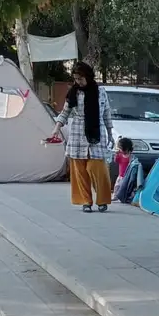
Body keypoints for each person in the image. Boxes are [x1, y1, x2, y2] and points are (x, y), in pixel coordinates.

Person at [51, 62, 114, 213]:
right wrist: (56, 128)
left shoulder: (100, 92)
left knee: (97, 167)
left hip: (96, 134)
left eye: (80, 78)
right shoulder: (74, 92)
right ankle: (86, 201)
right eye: (76, 79)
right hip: (78, 133)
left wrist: (110, 133)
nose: (78, 82)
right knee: (79, 170)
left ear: (88, 76)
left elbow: (106, 113)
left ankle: (102, 200)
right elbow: (65, 112)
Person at [112, 137, 145, 204]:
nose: (120, 150)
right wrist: (116, 154)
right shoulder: (120, 155)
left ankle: (127, 197)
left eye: (121, 148)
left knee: (127, 187)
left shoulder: (131, 156)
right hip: (121, 175)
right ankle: (115, 196)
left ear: (126, 148)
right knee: (117, 186)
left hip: (127, 176)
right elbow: (116, 161)